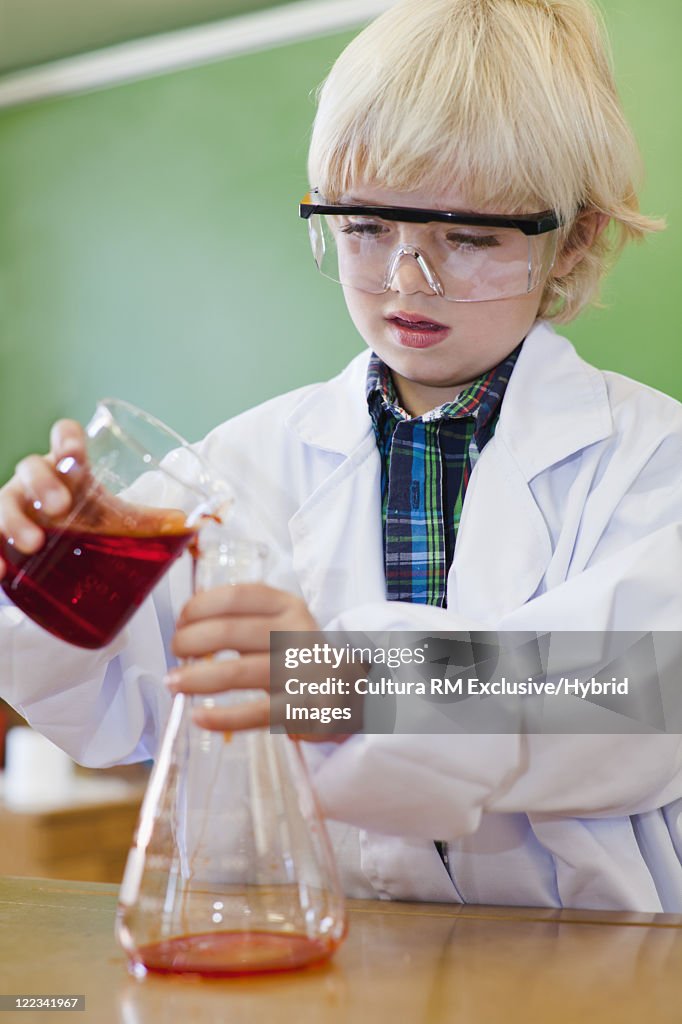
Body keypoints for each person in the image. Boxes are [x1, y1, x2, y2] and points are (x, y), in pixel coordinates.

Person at [1, 0, 681, 911]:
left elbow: (640, 701)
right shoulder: (242, 463)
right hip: (313, 954)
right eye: (365, 228)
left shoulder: (652, 461)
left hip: (585, 967)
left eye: (468, 238)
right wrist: (40, 578)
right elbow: (113, 708)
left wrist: (355, 686)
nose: (407, 280)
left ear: (576, 241)